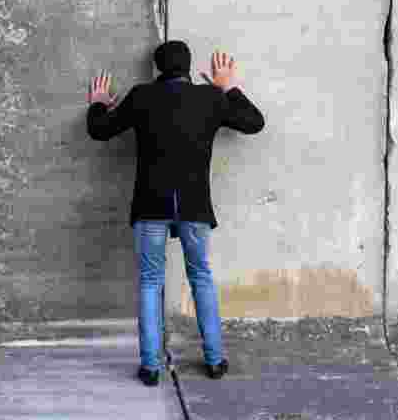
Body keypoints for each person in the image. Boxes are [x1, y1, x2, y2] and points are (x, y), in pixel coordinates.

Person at [85, 40, 265, 387]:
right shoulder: (211, 98)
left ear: (158, 68)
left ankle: (151, 367)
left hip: (151, 207)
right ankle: (214, 361)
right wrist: (228, 88)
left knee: (151, 282)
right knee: (201, 278)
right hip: (195, 208)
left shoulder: (141, 97)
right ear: (188, 67)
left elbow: (99, 130)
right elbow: (254, 122)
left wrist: (97, 105)